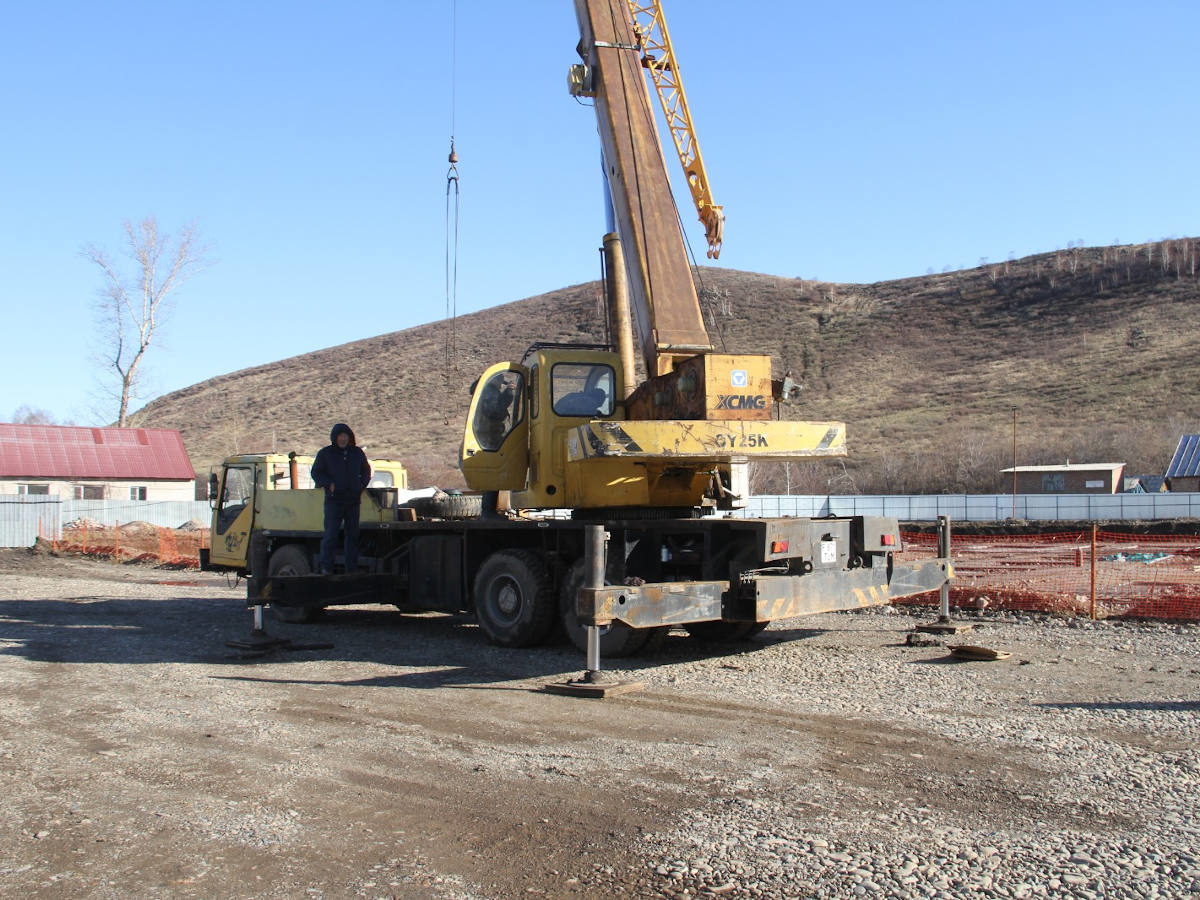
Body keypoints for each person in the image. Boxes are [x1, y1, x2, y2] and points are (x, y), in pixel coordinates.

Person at [310, 423, 372, 574]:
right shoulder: (326, 453)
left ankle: (351, 568)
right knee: (331, 534)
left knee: (353, 536)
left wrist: (361, 485)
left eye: (346, 436)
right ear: (334, 437)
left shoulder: (357, 453)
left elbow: (366, 470)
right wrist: (328, 484)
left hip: (353, 500)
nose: (343, 439)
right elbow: (316, 472)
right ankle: (326, 567)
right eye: (340, 436)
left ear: (350, 437)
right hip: (334, 501)